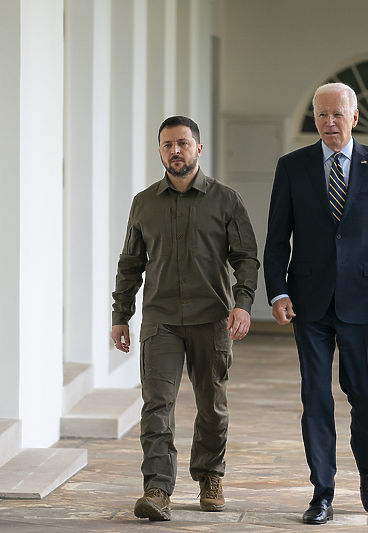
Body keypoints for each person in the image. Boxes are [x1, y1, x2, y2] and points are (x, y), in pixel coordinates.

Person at [263, 83, 368, 524]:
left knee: (367, 394)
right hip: (307, 300)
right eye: (322, 115)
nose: (330, 122)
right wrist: (278, 290)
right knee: (316, 398)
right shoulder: (292, 167)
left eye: (337, 115)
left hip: (365, 301)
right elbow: (276, 238)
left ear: (355, 117)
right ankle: (321, 493)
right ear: (314, 119)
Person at [111, 116, 260, 521]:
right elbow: (130, 264)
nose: (174, 150)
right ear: (160, 151)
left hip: (211, 318)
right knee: (156, 404)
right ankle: (157, 488)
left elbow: (246, 258)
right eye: (166, 145)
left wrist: (243, 303)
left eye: (182, 143)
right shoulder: (144, 203)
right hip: (161, 319)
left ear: (198, 148)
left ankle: (210, 474)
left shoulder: (226, 200)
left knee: (212, 405)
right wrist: (121, 314)